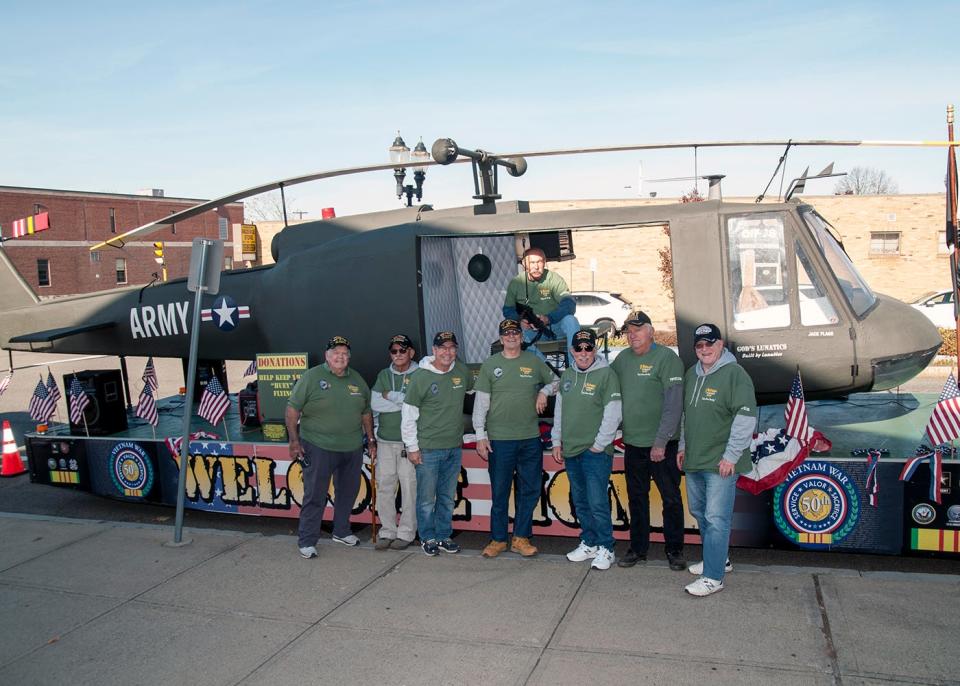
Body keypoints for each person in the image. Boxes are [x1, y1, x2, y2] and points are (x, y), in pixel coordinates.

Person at [678, 323, 756, 597]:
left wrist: (731, 456)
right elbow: (688, 415)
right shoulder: (692, 374)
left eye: (710, 344)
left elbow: (745, 418)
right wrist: (684, 446)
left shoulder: (735, 375)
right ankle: (718, 558)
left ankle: (714, 577)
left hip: (721, 462)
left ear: (721, 344)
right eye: (699, 346)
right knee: (700, 513)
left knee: (716, 518)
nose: (704, 350)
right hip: (695, 458)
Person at [287, 335, 376, 559]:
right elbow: (292, 410)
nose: (340, 357)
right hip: (318, 446)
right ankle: (307, 540)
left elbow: (366, 412)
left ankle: (341, 531)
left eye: (345, 353)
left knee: (347, 492)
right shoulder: (311, 377)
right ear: (327, 355)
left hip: (352, 447)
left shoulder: (357, 379)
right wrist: (294, 440)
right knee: (315, 494)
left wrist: (371, 440)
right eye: (336, 353)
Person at [473, 319, 556, 558]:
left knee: (529, 490)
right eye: (506, 334)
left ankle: (520, 538)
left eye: (515, 333)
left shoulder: (533, 361)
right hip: (499, 439)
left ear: (521, 337)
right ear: (500, 339)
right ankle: (498, 539)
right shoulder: (490, 365)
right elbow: (481, 405)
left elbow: (557, 382)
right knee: (500, 491)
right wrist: (480, 436)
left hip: (530, 438)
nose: (511, 337)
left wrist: (543, 391)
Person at [610, 311, 686, 571]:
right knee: (637, 498)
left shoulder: (667, 359)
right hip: (633, 444)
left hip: (662, 445)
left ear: (651, 331)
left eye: (638, 329)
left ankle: (675, 550)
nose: (632, 334)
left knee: (671, 499)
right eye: (629, 330)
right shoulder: (621, 359)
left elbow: (674, 406)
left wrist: (661, 442)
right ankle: (638, 549)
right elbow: (604, 385)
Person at [550, 329, 622, 570]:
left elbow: (613, 413)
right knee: (580, 501)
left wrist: (599, 444)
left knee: (597, 501)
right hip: (571, 450)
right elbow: (560, 411)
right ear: (572, 350)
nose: (583, 353)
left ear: (594, 349)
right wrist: (556, 441)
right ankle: (589, 542)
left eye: (588, 348)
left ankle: (606, 547)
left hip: (595, 453)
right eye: (578, 348)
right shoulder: (568, 375)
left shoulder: (606, 375)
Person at [401, 331, 474, 557]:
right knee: (426, 499)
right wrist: (412, 448)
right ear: (434, 350)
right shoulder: (420, 377)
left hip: (453, 446)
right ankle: (427, 537)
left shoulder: (462, 371)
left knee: (446, 496)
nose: (447, 352)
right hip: (428, 449)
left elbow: (474, 392)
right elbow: (408, 415)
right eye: (442, 347)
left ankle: (443, 536)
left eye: (452, 347)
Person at [370, 334, 419, 550]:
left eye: (402, 350)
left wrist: (391, 396)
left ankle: (407, 533)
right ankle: (387, 531)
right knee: (385, 487)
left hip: (410, 443)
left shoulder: (421, 373)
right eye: (394, 351)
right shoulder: (383, 374)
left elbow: (421, 405)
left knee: (409, 488)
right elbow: (374, 402)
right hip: (384, 441)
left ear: (411, 352)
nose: (398, 354)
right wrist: (404, 401)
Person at [503, 247, 579, 365]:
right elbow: (507, 310)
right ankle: (546, 369)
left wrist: (549, 318)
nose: (536, 266)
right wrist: (520, 320)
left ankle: (575, 368)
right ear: (524, 264)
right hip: (532, 330)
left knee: (571, 320)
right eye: (532, 262)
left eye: (539, 262)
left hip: (554, 326)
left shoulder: (554, 279)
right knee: (517, 330)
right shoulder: (516, 283)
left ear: (545, 262)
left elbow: (569, 303)